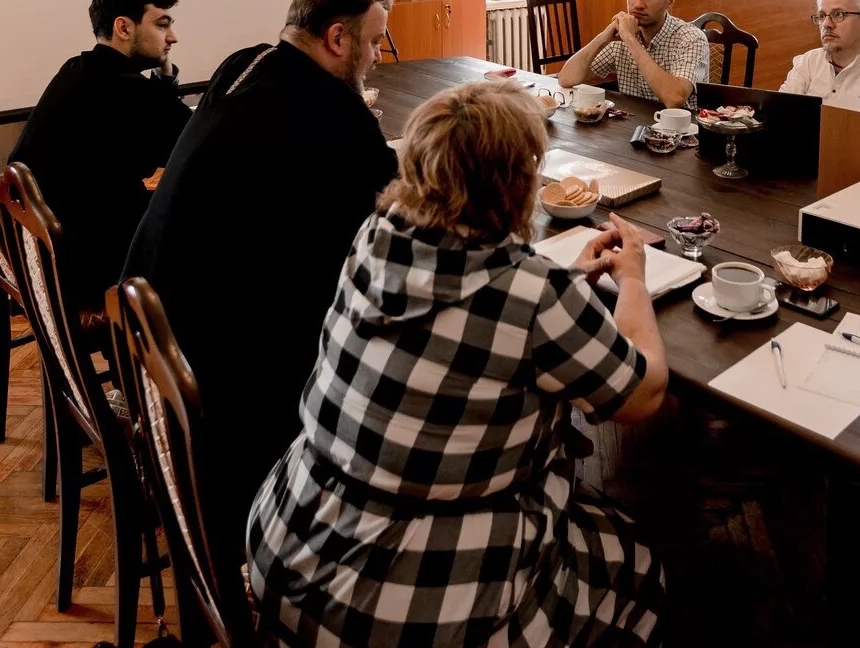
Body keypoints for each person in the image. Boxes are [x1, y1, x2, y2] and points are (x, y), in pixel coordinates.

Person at [249, 81, 667, 647]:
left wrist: (561, 288)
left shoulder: (376, 235)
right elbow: (641, 395)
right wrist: (634, 281)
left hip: (293, 541)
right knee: (635, 561)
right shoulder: (531, 292)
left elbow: (458, 318)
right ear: (518, 182)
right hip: (406, 597)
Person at [123, 0, 399, 536]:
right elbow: (394, 208)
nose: (376, 57)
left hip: (153, 308)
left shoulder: (245, 62)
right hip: (222, 363)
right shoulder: (335, 110)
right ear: (337, 38)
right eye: (372, 42)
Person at [10, 0, 188, 311]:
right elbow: (195, 144)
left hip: (46, 248)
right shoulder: (129, 92)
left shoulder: (79, 68)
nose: (173, 37)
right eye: (162, 24)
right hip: (92, 265)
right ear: (123, 26)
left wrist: (162, 81)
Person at [556, 0, 709, 108]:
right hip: (631, 128)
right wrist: (603, 38)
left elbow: (674, 98)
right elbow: (566, 79)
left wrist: (631, 40)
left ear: (670, 0)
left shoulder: (692, 39)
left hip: (680, 131)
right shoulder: (622, 34)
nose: (638, 4)